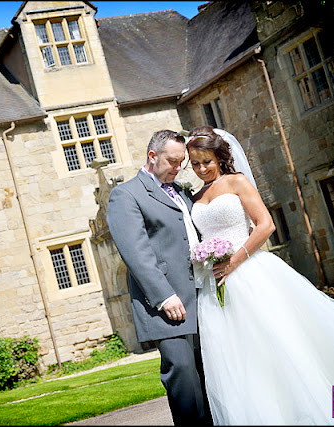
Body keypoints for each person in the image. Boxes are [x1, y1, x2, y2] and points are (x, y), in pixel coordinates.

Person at [187, 126, 334, 425]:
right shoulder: (194, 196)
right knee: (243, 361)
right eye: (194, 163)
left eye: (206, 161)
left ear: (219, 157)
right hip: (215, 290)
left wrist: (234, 261)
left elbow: (265, 225)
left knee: (295, 347)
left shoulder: (237, 182)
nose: (201, 168)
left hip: (251, 275)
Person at [106, 129, 213, 425]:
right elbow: (135, 252)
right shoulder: (125, 195)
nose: (177, 168)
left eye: (182, 163)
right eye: (172, 161)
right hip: (167, 305)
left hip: (201, 295)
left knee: (209, 375)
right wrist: (164, 296)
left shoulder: (181, 192)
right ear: (152, 156)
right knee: (184, 378)